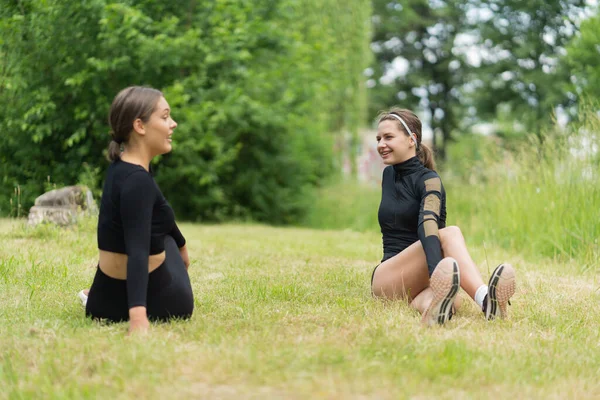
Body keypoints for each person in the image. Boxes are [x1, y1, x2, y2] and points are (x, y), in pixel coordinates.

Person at [370, 108, 516, 326]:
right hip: (388, 278)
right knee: (451, 234)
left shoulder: (430, 181)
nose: (381, 144)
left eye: (388, 137)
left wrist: (438, 280)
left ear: (412, 139)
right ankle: (486, 300)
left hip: (419, 280)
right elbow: (427, 228)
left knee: (451, 300)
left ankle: (433, 309)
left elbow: (427, 222)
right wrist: (436, 273)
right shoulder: (388, 175)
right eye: (379, 138)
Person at [83, 86, 194, 335]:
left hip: (103, 304)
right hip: (163, 301)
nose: (173, 124)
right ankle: (136, 307)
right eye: (165, 117)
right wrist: (138, 317)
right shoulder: (139, 181)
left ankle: (93, 292)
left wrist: (182, 244)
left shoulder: (119, 168)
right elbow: (138, 250)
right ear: (140, 126)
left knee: (156, 221)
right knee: (157, 234)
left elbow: (159, 208)